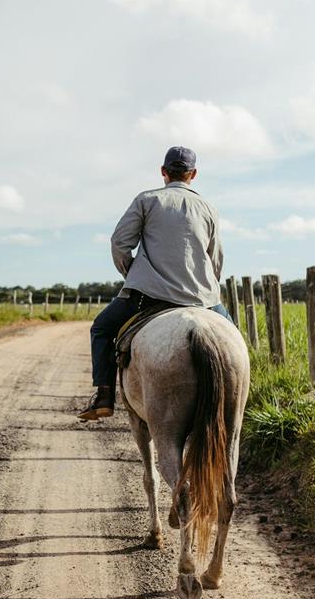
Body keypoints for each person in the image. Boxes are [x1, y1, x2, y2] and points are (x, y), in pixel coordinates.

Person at [78, 146, 230, 421]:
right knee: (233, 340)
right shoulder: (208, 208)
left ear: (163, 172)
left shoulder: (146, 200)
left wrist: (133, 274)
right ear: (193, 174)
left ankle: (103, 396)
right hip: (202, 298)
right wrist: (206, 285)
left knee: (101, 329)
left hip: (147, 295)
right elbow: (216, 256)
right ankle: (237, 398)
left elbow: (120, 243)